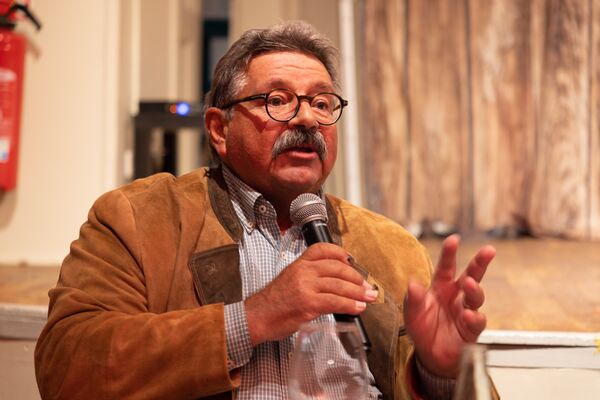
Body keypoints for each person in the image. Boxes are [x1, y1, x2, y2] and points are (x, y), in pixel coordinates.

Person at [34, 21, 497, 399]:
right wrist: (254, 316)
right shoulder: (139, 219)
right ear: (219, 129)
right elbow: (67, 367)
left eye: (322, 103)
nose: (307, 118)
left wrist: (440, 374)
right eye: (277, 100)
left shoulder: (392, 247)